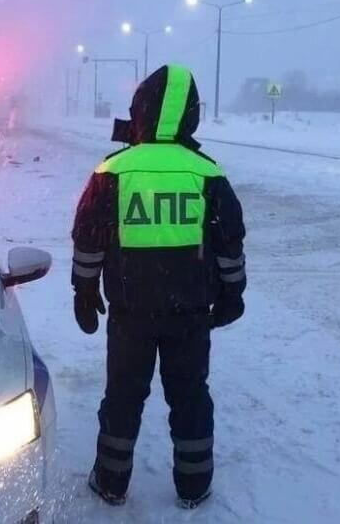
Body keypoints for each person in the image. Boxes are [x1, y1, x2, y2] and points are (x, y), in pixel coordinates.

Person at [71, 64, 246, 509]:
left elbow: (89, 237)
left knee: (124, 396)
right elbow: (229, 241)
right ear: (190, 116)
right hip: (189, 315)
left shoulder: (113, 169)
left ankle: (111, 481)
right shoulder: (206, 172)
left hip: (130, 314)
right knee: (189, 397)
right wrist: (232, 293)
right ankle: (194, 485)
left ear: (142, 110)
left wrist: (85, 291)